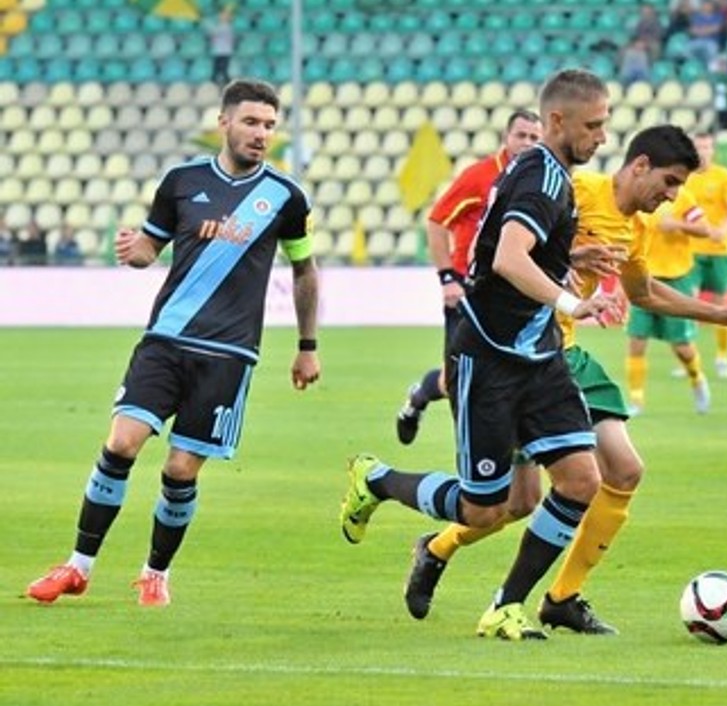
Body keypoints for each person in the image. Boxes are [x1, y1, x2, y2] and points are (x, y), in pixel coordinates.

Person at [346, 125, 727, 639]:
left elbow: (644, 293)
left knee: (579, 484)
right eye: (669, 181)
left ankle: (539, 591)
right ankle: (451, 548)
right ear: (639, 165)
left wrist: (722, 314)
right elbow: (506, 248)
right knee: (524, 498)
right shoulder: (576, 189)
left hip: (558, 355)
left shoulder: (635, 228)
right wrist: (570, 263)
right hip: (527, 351)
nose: (672, 196)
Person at [337, 69, 625, 640]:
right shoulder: (541, 177)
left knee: (580, 480)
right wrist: (572, 301)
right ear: (558, 121)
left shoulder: (551, 176)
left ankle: (505, 605)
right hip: (489, 358)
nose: (601, 137)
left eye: (605, 124)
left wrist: (571, 255)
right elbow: (508, 261)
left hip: (536, 356)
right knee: (482, 511)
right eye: (593, 125)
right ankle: (377, 479)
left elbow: (523, 251)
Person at [25, 79, 321, 607]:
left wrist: (307, 344)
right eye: (251, 122)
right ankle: (77, 567)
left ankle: (155, 573)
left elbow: (305, 270)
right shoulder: (180, 181)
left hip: (230, 355)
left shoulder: (285, 197)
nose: (261, 134)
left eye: (270, 125)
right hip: (166, 339)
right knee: (120, 445)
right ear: (224, 122)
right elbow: (148, 249)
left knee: (179, 470)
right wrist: (133, 251)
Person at [393, 110, 544, 446]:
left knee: (502, 376)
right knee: (459, 380)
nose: (527, 143)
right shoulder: (479, 176)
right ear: (506, 137)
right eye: (521, 135)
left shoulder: (539, 180)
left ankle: (503, 452)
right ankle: (431, 410)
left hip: (512, 294)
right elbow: (436, 222)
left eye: (535, 138)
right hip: (468, 290)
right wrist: (448, 277)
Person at [625, 165, 715, 415]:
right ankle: (636, 399)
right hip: (645, 277)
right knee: (636, 342)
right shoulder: (640, 198)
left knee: (682, 347)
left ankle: (697, 379)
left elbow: (705, 229)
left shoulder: (682, 197)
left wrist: (676, 224)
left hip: (676, 277)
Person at [684, 130, 727, 379]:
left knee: (722, 305)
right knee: (690, 304)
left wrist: (724, 229)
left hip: (720, 250)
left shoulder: (724, 177)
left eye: (707, 147)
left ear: (713, 150)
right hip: (691, 251)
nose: (702, 152)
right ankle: (689, 358)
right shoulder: (685, 177)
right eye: (698, 147)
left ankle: (722, 357)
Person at [208, 7, 236, 87]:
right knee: (216, 70)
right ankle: (213, 84)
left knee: (223, 70)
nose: (222, 17)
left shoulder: (227, 27)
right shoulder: (220, 26)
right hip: (218, 52)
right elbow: (214, 37)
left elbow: (216, 32)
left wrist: (208, 25)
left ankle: (228, 84)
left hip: (225, 52)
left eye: (225, 15)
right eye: (221, 15)